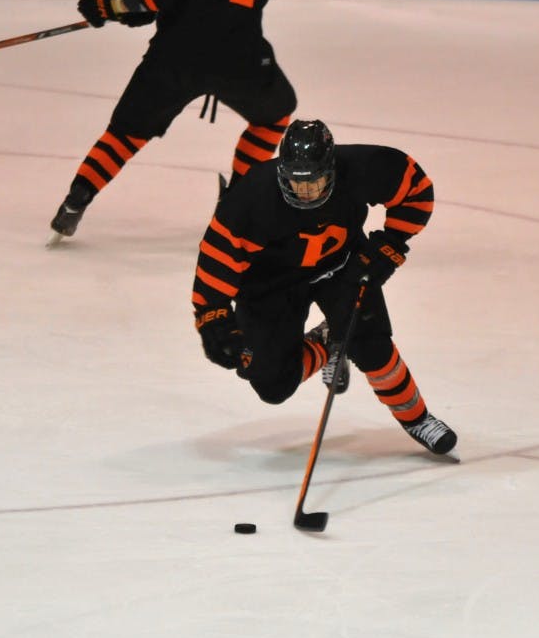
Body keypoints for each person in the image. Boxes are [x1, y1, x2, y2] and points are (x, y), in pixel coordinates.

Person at [48, 0, 296, 243]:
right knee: (274, 116)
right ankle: (236, 204)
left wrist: (108, 4)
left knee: (126, 133)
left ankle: (75, 203)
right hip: (242, 51)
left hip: (178, 54)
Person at [191, 119, 457, 455]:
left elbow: (416, 190)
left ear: (330, 168)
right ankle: (329, 344)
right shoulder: (251, 198)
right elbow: (217, 261)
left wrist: (390, 245)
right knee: (271, 384)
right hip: (270, 285)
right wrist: (213, 319)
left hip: (343, 267)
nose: (306, 192)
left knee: (373, 348)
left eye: (314, 183)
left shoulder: (363, 167)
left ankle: (417, 418)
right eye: (296, 184)